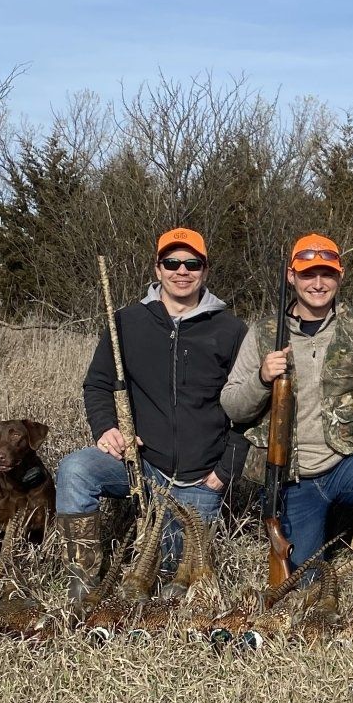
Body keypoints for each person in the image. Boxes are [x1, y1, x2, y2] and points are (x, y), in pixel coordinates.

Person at [222, 234, 353, 570]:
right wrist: (261, 379)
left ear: (340, 275)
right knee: (300, 583)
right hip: (291, 477)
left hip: (349, 460)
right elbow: (232, 406)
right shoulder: (263, 332)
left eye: (327, 274)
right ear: (291, 276)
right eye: (307, 274)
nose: (318, 284)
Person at [54, 228, 247, 582]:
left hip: (200, 480)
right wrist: (106, 428)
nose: (182, 271)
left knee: (178, 578)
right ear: (158, 269)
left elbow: (250, 407)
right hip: (140, 466)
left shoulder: (231, 330)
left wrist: (225, 471)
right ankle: (82, 582)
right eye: (171, 262)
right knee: (76, 469)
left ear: (205, 270)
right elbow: (97, 384)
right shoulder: (127, 322)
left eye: (192, 263)